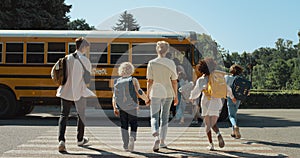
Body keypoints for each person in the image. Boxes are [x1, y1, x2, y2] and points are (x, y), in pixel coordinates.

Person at [56, 37, 96, 152]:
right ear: (83, 47)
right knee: (81, 115)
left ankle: (61, 140)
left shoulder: (66, 58)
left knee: (64, 115)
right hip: (80, 92)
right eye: (86, 48)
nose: (86, 50)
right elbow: (87, 80)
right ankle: (80, 139)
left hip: (65, 91)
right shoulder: (86, 61)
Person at [189, 57, 235, 151]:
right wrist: (232, 97)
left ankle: (211, 144)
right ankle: (218, 134)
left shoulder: (201, 80)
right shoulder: (217, 77)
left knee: (207, 124)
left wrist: (191, 98)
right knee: (213, 123)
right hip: (217, 103)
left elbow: (196, 92)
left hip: (206, 102)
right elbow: (226, 88)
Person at [147, 41, 178, 152]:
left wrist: (147, 95)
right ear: (167, 50)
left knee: (154, 116)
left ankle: (156, 136)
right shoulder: (171, 63)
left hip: (155, 92)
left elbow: (149, 81)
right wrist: (176, 96)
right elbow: (174, 81)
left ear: (157, 49)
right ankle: (162, 141)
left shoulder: (152, 63)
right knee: (164, 117)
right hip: (168, 93)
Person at [112, 62, 149, 152]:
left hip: (121, 107)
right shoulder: (133, 79)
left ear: (121, 70)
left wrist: (115, 107)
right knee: (133, 123)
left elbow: (114, 96)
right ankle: (132, 137)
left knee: (123, 125)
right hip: (132, 106)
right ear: (131, 70)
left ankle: (125, 145)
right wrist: (146, 99)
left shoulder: (117, 81)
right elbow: (139, 91)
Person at [225, 64, 244, 139]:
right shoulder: (240, 79)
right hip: (238, 98)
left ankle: (235, 127)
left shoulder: (227, 77)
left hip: (230, 97)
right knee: (234, 114)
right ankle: (234, 132)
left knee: (231, 116)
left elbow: (225, 87)